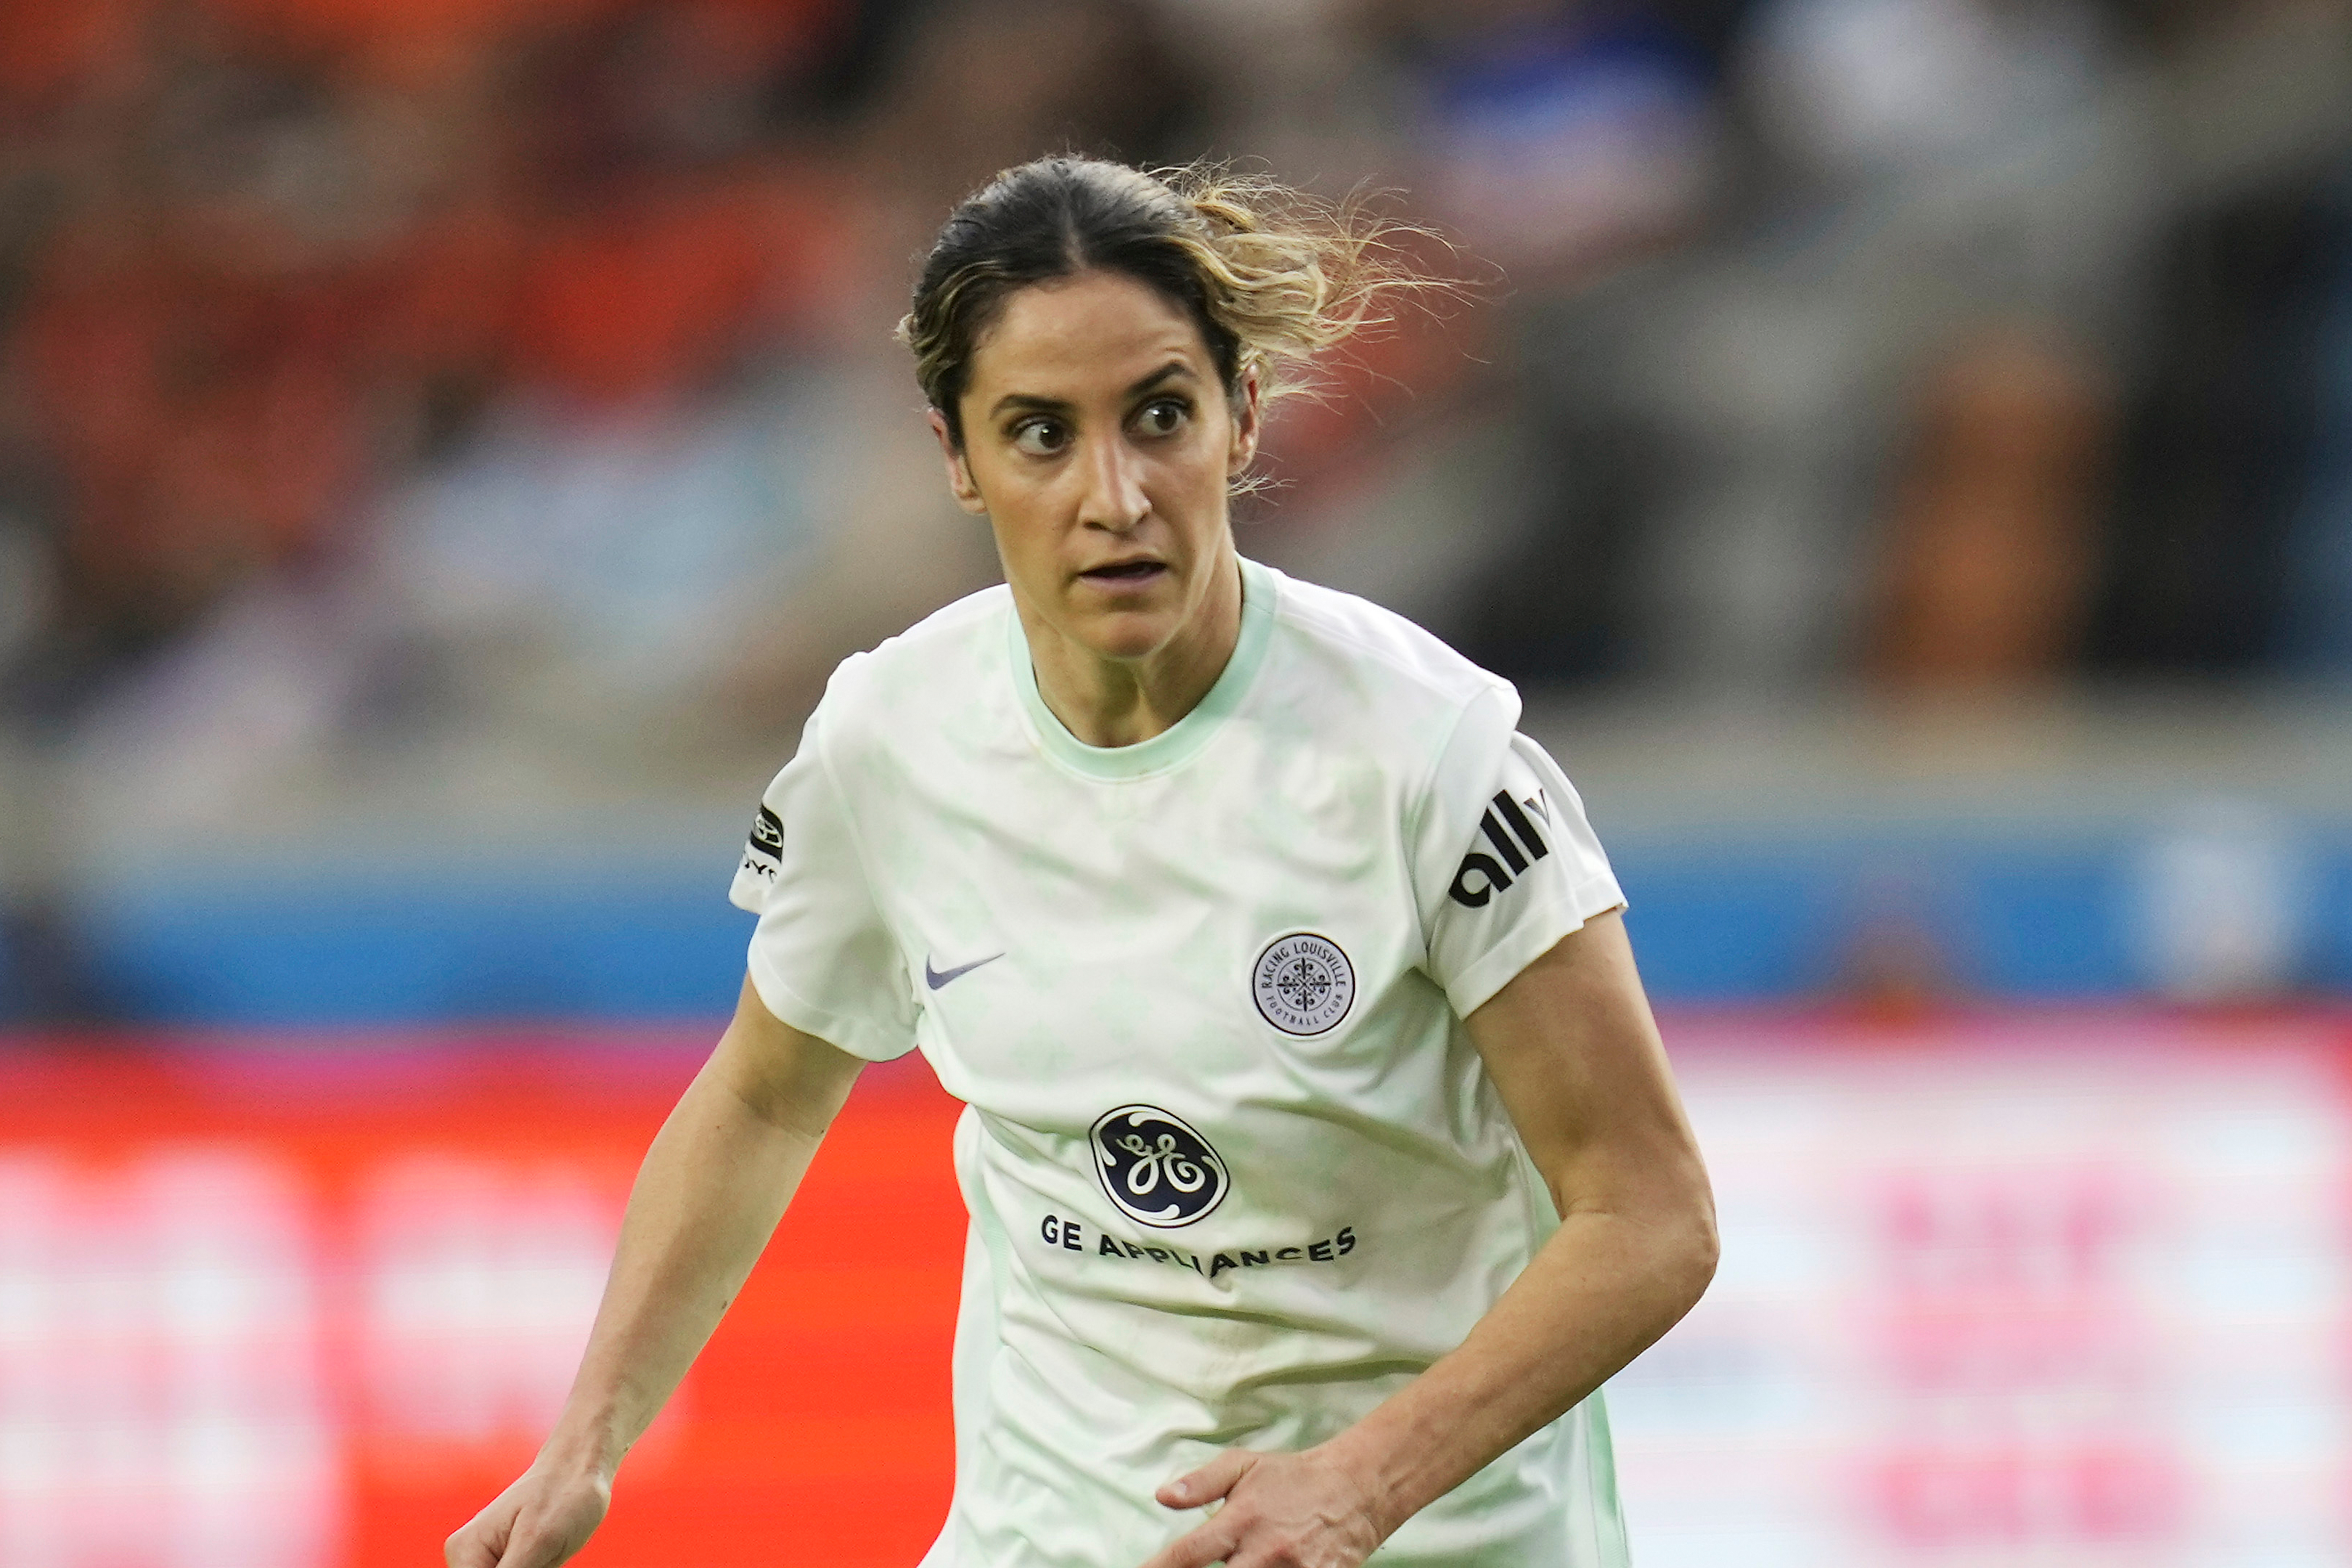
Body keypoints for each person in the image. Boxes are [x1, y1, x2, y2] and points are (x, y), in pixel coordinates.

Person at [446, 155, 1717, 1568]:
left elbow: (1648, 1214)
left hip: (1427, 1543)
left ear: (1240, 419)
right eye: (1040, 435)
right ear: (958, 458)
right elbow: (760, 1094)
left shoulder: (1430, 756)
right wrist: (589, 1439)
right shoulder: (894, 739)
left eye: (1158, 416)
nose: (1112, 493)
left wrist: (1361, 1483)